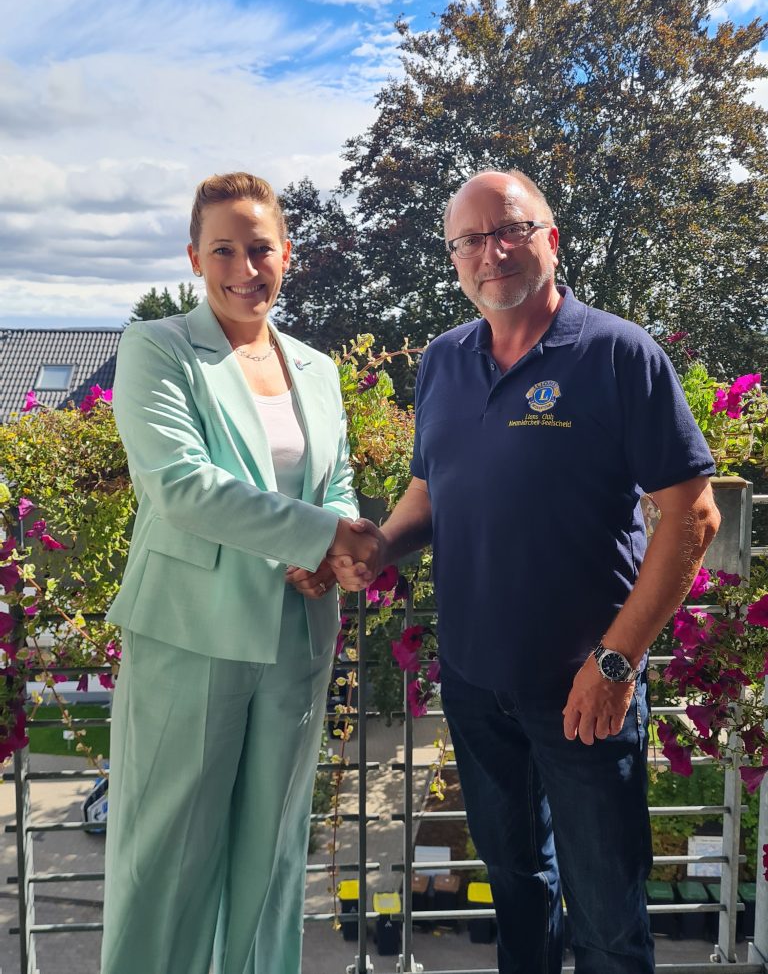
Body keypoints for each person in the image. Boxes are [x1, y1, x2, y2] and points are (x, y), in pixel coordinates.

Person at [343, 169, 721, 974]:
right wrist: (377, 547)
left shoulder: (619, 353)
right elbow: (428, 493)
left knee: (608, 914)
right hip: (477, 686)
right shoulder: (443, 361)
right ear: (454, 257)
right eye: (472, 239)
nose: (494, 251)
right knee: (516, 889)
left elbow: (693, 517)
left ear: (551, 237)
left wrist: (617, 662)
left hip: (586, 688)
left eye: (512, 229)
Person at [101, 172, 378, 974]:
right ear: (195, 256)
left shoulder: (317, 369)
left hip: (297, 639)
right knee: (169, 859)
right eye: (223, 248)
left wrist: (333, 556)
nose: (243, 266)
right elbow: (181, 486)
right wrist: (323, 537)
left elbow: (336, 482)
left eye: (259, 248)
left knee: (275, 855)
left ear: (286, 253)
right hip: (190, 633)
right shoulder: (156, 348)